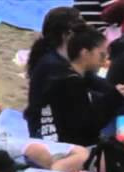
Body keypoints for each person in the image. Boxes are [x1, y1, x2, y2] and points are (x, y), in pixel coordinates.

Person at [42, 27, 124, 161]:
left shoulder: (74, 75)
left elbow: (99, 98)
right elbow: (88, 127)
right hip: (73, 151)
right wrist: (115, 99)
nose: (104, 61)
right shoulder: (70, 83)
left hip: (73, 143)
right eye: (101, 55)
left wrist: (121, 99)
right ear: (85, 53)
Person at [25, 6, 87, 139]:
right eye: (81, 31)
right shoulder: (53, 66)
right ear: (68, 34)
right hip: (48, 132)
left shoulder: (59, 58)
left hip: (55, 125)